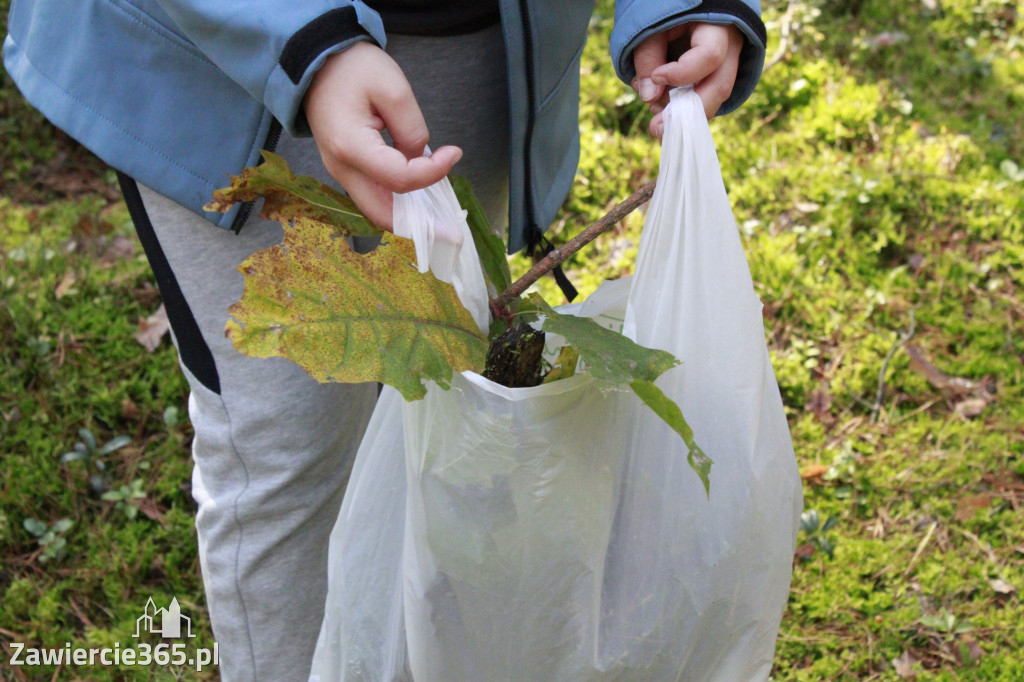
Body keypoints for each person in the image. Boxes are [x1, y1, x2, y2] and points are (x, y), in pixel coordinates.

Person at [4, 1, 767, 679]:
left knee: (440, 402)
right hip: (216, 55)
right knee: (287, 445)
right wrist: (306, 39)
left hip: (477, 38)